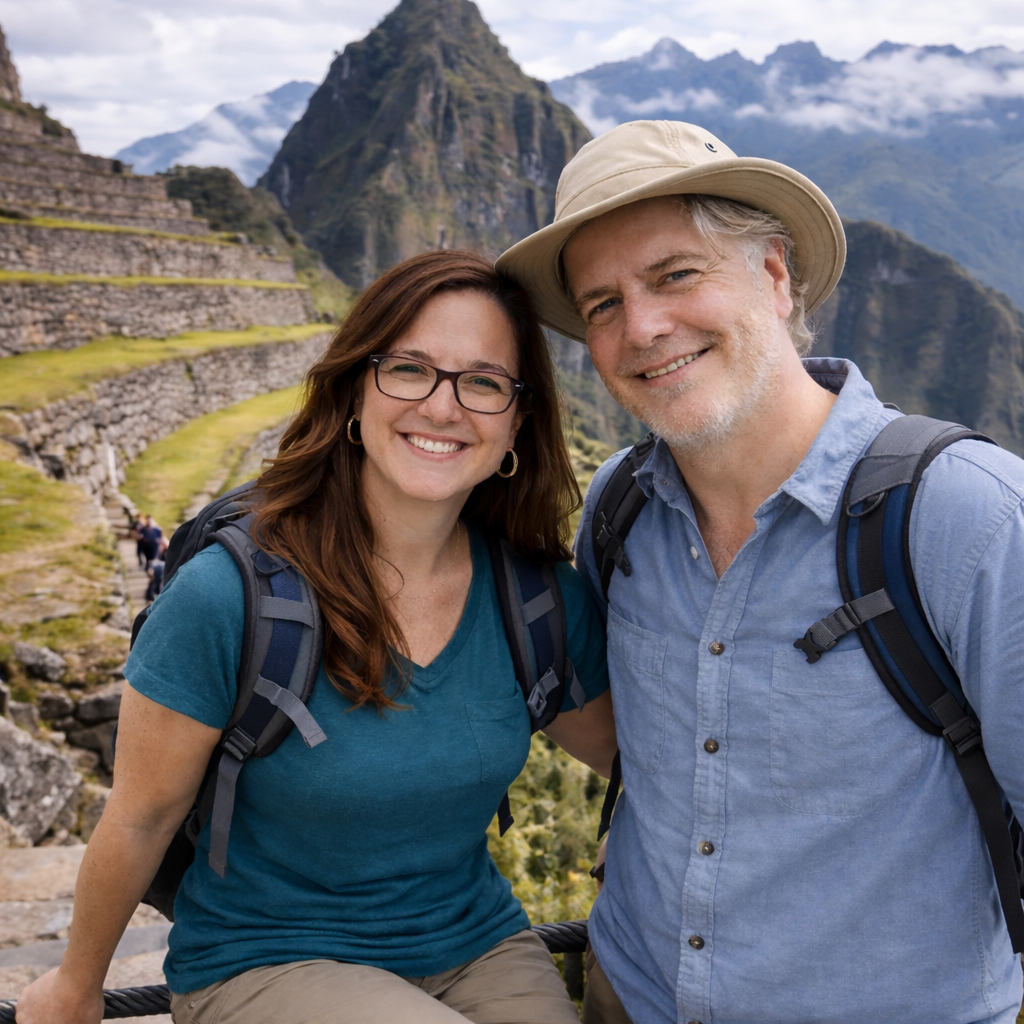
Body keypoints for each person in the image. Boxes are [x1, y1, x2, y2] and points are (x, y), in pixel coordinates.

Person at [497, 120, 1024, 1024]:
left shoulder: (967, 518)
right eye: (603, 305)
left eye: (676, 275)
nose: (643, 327)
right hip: (629, 995)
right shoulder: (620, 512)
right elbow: (642, 741)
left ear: (775, 275)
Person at [17, 250, 616, 1024]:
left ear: (516, 424)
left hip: (476, 942)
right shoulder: (228, 598)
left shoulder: (537, 602)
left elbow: (636, 760)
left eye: (483, 382)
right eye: (409, 369)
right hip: (268, 957)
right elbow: (141, 816)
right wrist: (75, 985)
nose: (443, 406)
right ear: (353, 394)